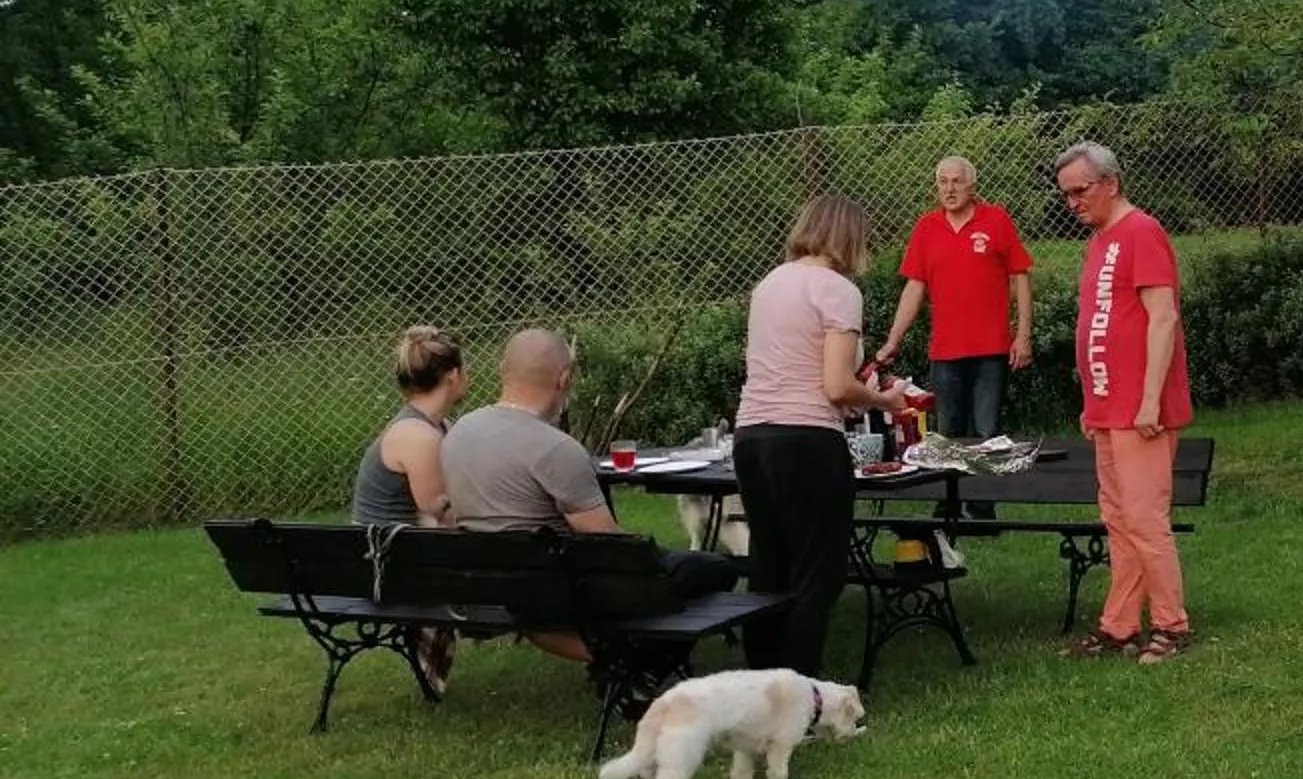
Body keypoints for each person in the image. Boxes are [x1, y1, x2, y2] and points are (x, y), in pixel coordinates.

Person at [444, 328, 738, 660]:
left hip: (495, 583)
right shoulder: (555, 448)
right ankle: (646, 656)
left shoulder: (459, 432)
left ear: (503, 370)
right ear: (564, 378)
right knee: (715, 567)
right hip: (564, 589)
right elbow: (610, 549)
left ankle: (633, 655)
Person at [734, 194, 907, 679]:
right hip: (807, 440)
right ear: (850, 238)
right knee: (817, 574)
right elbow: (835, 386)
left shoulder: (769, 284)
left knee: (768, 566)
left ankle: (758, 687)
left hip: (753, 436)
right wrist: (881, 400)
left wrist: (853, 391)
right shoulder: (837, 290)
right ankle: (801, 693)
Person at [1054, 141, 1195, 663]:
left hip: (1142, 409)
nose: (1072, 202)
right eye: (1065, 194)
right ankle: (1119, 625)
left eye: (1080, 190)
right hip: (1110, 406)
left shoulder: (1143, 232)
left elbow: (1163, 318)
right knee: (1117, 517)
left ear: (1110, 183)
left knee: (1144, 517)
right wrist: (1094, 403)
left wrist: (1151, 401)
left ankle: (1171, 624)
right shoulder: (1100, 241)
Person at [872, 154, 1034, 443]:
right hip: (945, 351)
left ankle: (991, 488)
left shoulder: (996, 219)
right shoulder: (926, 228)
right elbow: (914, 288)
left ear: (972, 186)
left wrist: (1023, 336)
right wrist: (893, 340)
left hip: (991, 348)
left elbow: (1020, 277)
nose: (949, 189)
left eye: (957, 182)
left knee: (988, 435)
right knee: (948, 437)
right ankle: (955, 489)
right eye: (942, 182)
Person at [351, 324, 467, 696]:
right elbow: (438, 513)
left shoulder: (431, 426)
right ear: (453, 376)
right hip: (393, 568)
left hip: (393, 556)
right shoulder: (419, 437)